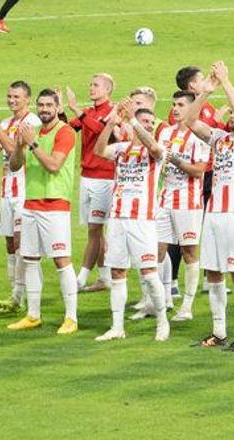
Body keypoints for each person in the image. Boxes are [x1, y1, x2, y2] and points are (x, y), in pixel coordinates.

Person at [187, 61, 234, 352]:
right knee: (214, 273)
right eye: (229, 113)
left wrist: (227, 82)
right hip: (214, 214)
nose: (233, 117)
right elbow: (191, 122)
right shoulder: (219, 139)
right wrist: (205, 92)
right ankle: (218, 330)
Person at [92, 102, 171, 342]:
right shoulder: (122, 149)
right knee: (117, 272)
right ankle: (117, 327)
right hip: (117, 219)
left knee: (148, 273)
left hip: (142, 221)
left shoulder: (157, 152)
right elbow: (98, 151)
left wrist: (133, 122)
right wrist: (112, 122)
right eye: (143, 121)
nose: (148, 125)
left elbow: (154, 147)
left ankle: (162, 321)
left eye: (150, 122)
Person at [6, 89, 80, 334]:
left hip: (55, 205)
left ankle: (71, 317)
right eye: (41, 105)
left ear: (58, 107)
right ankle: (33, 314)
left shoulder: (66, 132)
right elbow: (15, 166)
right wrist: (18, 146)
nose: (44, 109)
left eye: (49, 105)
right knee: (29, 260)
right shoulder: (34, 133)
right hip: (31, 204)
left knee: (61, 260)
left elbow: (53, 165)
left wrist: (32, 143)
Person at [0, 81, 41, 313]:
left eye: (16, 97)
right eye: (9, 96)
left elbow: (14, 152)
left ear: (27, 99)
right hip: (6, 191)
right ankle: (15, 295)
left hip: (25, 191)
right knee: (9, 242)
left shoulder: (32, 123)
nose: (11, 100)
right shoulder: (6, 123)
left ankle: (21, 296)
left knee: (20, 242)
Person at [155, 91, 211, 321]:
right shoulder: (166, 133)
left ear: (192, 108)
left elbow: (199, 171)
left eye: (180, 105)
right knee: (157, 250)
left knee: (189, 252)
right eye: (173, 104)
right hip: (164, 198)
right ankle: (160, 300)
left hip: (188, 202)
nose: (175, 109)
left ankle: (187, 305)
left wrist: (175, 161)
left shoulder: (200, 136)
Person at [65, 73, 117, 293]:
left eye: (96, 85)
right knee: (94, 230)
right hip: (87, 176)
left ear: (107, 90)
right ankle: (104, 278)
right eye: (90, 83)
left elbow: (99, 130)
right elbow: (69, 128)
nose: (91, 88)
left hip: (104, 178)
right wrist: (60, 110)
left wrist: (77, 109)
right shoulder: (90, 112)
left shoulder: (112, 112)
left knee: (95, 229)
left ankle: (80, 279)